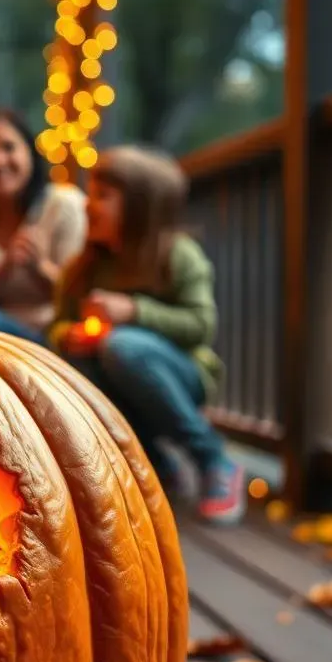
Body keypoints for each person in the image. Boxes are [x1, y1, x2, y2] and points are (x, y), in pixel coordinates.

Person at [49, 145, 245, 525]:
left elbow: (202, 326)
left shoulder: (177, 255)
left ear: (138, 207)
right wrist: (67, 334)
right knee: (75, 362)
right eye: (91, 193)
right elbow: (56, 326)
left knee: (120, 345)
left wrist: (134, 311)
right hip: (119, 376)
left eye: (102, 196)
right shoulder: (83, 268)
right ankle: (154, 461)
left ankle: (212, 457)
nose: (88, 205)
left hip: (181, 375)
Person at [0, 107, 87, 343]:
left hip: (55, 337)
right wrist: (5, 267)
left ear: (30, 152)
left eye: (8, 147)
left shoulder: (64, 204)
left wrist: (39, 267)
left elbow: (80, 298)